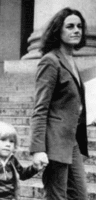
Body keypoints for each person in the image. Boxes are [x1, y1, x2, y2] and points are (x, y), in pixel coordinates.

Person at [30, 7, 89, 200]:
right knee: (56, 197)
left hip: (71, 143)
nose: (76, 30)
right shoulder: (50, 61)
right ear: (58, 30)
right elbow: (40, 108)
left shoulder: (71, 60)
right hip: (54, 144)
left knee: (80, 196)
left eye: (79, 26)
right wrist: (38, 149)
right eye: (70, 26)